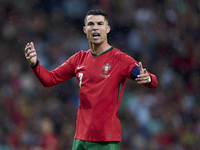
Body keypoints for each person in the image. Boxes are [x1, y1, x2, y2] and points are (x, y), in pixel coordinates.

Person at [24, 9, 158, 150]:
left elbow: (151, 80)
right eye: (91, 24)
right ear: (85, 29)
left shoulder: (120, 59)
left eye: (100, 24)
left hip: (105, 139)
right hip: (80, 138)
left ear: (108, 29)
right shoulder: (78, 58)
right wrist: (35, 64)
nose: (95, 27)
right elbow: (49, 80)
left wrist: (148, 78)